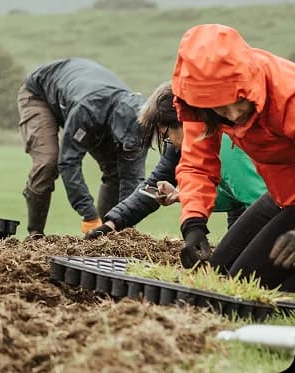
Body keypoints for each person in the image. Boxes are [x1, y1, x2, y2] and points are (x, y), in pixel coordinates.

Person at [171, 24, 295, 290]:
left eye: (239, 101)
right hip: (282, 194)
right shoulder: (202, 105)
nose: (234, 114)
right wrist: (193, 223)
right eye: (220, 107)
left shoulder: (288, 94)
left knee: (250, 288)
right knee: (220, 276)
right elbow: (196, 165)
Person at [85, 82, 264, 239]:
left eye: (166, 136)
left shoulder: (228, 148)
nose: (170, 143)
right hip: (247, 207)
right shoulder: (182, 143)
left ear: (183, 121)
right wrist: (113, 223)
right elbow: (232, 197)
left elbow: (257, 199)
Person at [18, 58, 147, 237]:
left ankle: (108, 235)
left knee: (115, 170)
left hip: (80, 98)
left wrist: (124, 225)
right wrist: (89, 215)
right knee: (48, 161)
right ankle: (35, 233)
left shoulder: (142, 120)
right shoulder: (88, 110)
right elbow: (68, 162)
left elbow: (132, 177)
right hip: (40, 94)